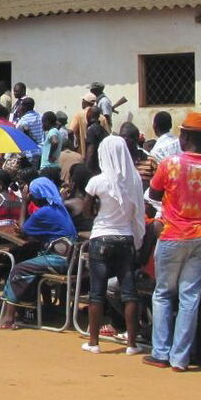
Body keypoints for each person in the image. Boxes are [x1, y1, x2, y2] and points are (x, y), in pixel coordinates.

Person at [145, 112, 201, 372]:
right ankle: (180, 359)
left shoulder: (170, 163)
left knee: (164, 294)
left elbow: (155, 192)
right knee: (190, 296)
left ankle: (160, 353)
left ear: (186, 136)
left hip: (173, 233)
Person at [81, 136, 146, 355]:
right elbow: (138, 211)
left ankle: (93, 342)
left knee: (97, 292)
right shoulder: (135, 180)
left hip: (101, 237)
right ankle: (132, 344)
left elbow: (86, 211)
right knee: (129, 291)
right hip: (126, 238)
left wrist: (99, 210)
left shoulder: (97, 181)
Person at [0, 177, 77, 329]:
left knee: (19, 268)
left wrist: (24, 202)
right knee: (30, 261)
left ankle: (8, 319)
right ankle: (38, 308)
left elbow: (23, 230)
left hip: (59, 260)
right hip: (70, 259)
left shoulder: (44, 212)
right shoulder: (59, 207)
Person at [15, 97, 43, 163]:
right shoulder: (41, 116)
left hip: (29, 154)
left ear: (24, 107)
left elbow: (17, 137)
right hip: (41, 151)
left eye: (21, 105)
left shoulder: (23, 121)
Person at [84, 106, 107, 173]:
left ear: (89, 114)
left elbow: (91, 151)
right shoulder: (101, 129)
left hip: (95, 166)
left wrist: (87, 171)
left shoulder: (91, 129)